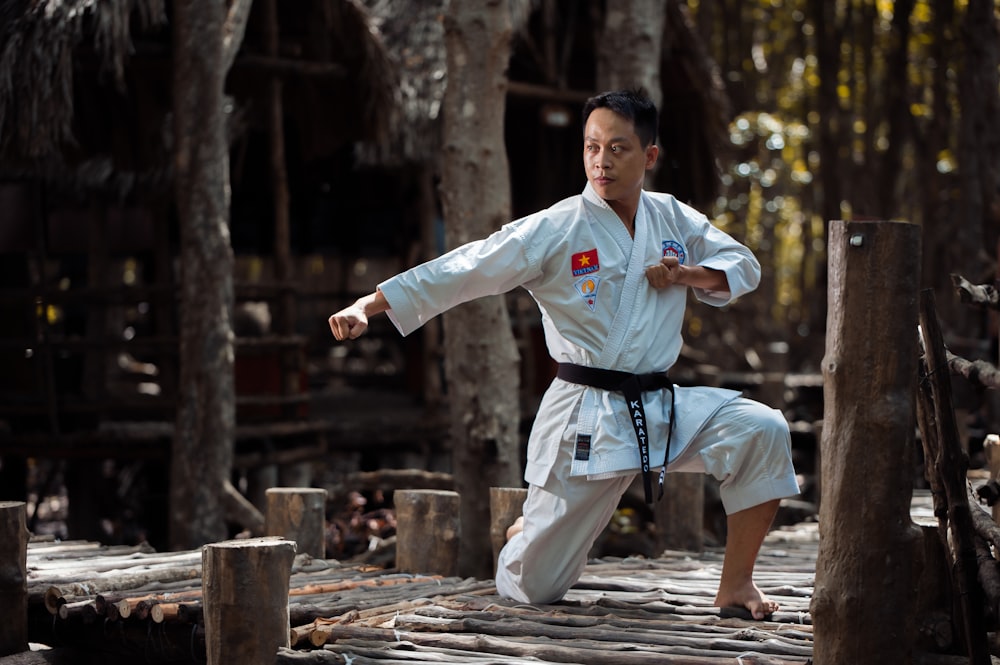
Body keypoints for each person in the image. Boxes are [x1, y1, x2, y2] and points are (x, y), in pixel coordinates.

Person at [328, 88, 800, 620]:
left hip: (658, 406)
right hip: (585, 415)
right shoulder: (558, 227)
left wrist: (685, 275)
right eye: (592, 146)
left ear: (649, 156)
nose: (602, 161)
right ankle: (524, 532)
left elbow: (744, 265)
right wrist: (369, 305)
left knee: (762, 429)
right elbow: (466, 267)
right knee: (534, 588)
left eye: (618, 148)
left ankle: (736, 585)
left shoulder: (671, 218)